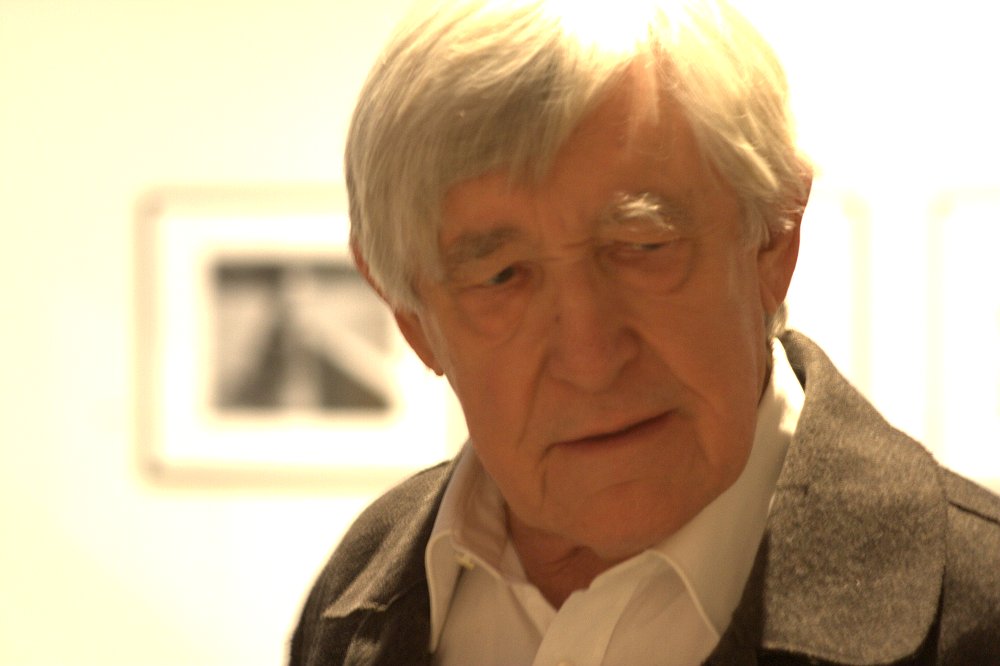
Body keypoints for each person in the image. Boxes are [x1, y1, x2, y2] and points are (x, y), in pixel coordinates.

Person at [290, 0, 1000, 663]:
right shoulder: (359, 592)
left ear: (774, 237)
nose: (590, 357)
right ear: (413, 317)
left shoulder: (980, 606)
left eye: (641, 246)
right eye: (503, 276)